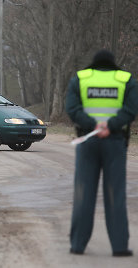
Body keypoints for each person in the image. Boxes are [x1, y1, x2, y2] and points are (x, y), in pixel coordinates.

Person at [66, 49, 138, 256]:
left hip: (88, 141)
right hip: (114, 142)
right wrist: (110, 125)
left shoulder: (80, 79)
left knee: (83, 193)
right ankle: (119, 247)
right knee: (115, 194)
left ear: (94, 64)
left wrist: (93, 125)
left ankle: (77, 245)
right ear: (113, 63)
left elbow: (72, 109)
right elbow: (131, 109)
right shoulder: (125, 80)